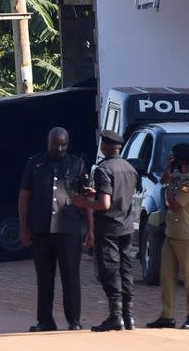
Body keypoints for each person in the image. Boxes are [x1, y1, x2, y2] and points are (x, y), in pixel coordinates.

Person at [19, 127, 92, 332]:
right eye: (55, 144)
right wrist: (24, 227)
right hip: (41, 230)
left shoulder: (77, 165)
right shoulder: (34, 164)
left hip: (69, 230)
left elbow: (86, 199)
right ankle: (45, 321)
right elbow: (24, 197)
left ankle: (74, 320)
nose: (59, 148)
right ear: (48, 142)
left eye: (63, 144)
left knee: (71, 278)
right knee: (44, 278)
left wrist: (90, 229)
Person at [72, 130, 138, 331]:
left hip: (109, 227)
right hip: (127, 226)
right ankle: (129, 317)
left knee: (109, 270)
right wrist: (98, 193)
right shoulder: (129, 168)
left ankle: (115, 317)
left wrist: (84, 201)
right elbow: (122, 194)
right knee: (126, 270)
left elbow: (105, 203)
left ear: (105, 146)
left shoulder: (102, 169)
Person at [147, 143, 189, 330]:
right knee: (167, 277)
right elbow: (163, 181)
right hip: (172, 233)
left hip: (187, 235)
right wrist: (168, 171)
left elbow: (175, 204)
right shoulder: (179, 176)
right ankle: (167, 315)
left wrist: (170, 184)